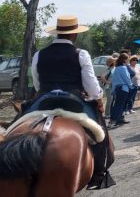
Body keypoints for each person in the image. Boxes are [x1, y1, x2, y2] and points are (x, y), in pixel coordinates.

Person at [28, 15, 112, 188]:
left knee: (16, 124)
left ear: (57, 34)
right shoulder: (81, 54)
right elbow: (90, 84)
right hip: (73, 99)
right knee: (100, 133)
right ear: (75, 35)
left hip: (44, 98)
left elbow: (37, 83)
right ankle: (99, 174)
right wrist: (98, 99)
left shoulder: (39, 54)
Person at [110, 54, 132, 127]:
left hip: (118, 88)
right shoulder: (123, 68)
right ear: (125, 59)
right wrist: (131, 86)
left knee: (118, 105)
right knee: (120, 105)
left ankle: (118, 119)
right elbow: (127, 79)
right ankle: (115, 120)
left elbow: (114, 80)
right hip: (123, 88)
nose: (128, 60)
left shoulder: (116, 68)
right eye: (128, 59)